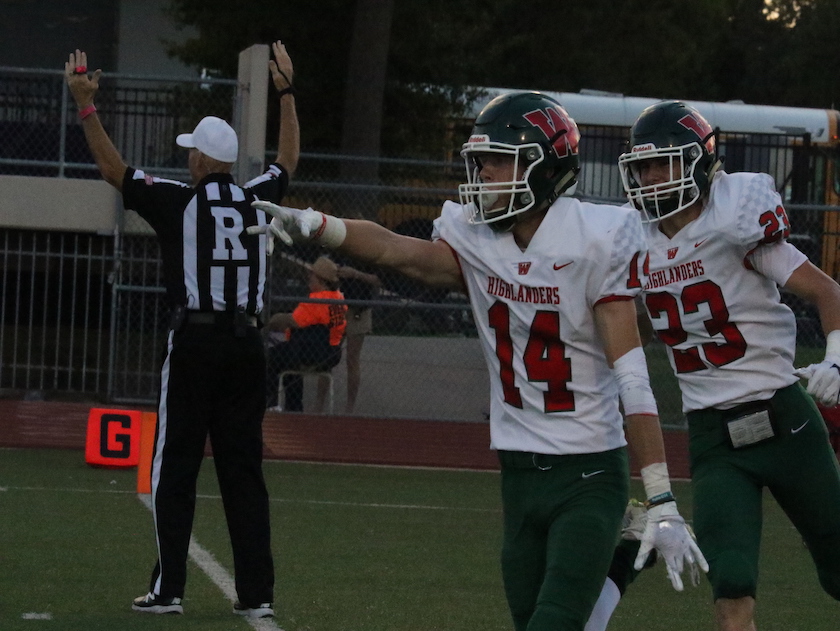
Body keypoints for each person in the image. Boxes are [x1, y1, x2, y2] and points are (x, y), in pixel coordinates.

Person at [249, 91, 705, 630]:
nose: (483, 171)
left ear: (544, 166)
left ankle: (626, 540)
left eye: (498, 159)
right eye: (482, 158)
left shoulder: (597, 240)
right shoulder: (477, 237)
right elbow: (396, 250)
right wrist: (320, 225)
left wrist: (662, 498)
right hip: (517, 472)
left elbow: (633, 378)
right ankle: (626, 556)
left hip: (588, 471)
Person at [65, 40, 299, 618]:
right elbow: (289, 161)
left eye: (192, 152)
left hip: (195, 343)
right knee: (244, 472)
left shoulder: (178, 201)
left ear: (200, 161)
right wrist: (287, 93)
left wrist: (85, 106)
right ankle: (258, 596)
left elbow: (112, 169)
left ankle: (169, 589)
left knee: (175, 465)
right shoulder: (255, 200)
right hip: (248, 345)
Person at [598, 100, 840, 631]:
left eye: (665, 162)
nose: (652, 176)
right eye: (645, 165)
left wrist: (837, 360)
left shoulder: (734, 218)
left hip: (785, 419)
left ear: (701, 163)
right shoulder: (630, 239)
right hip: (713, 437)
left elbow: (827, 291)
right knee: (730, 591)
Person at [265, 255, 347, 412]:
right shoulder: (338, 298)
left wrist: (271, 322)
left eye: (312, 275)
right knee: (288, 355)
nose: (309, 277)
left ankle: (272, 404)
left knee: (269, 356)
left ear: (322, 281)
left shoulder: (316, 300)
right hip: (331, 353)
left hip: (312, 354)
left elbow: (292, 320)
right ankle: (294, 408)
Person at [335, 260, 380, 413]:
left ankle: (350, 407)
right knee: (328, 355)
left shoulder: (370, 253)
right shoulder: (340, 247)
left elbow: (377, 280)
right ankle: (320, 405)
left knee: (352, 359)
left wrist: (355, 274)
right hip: (338, 307)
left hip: (359, 311)